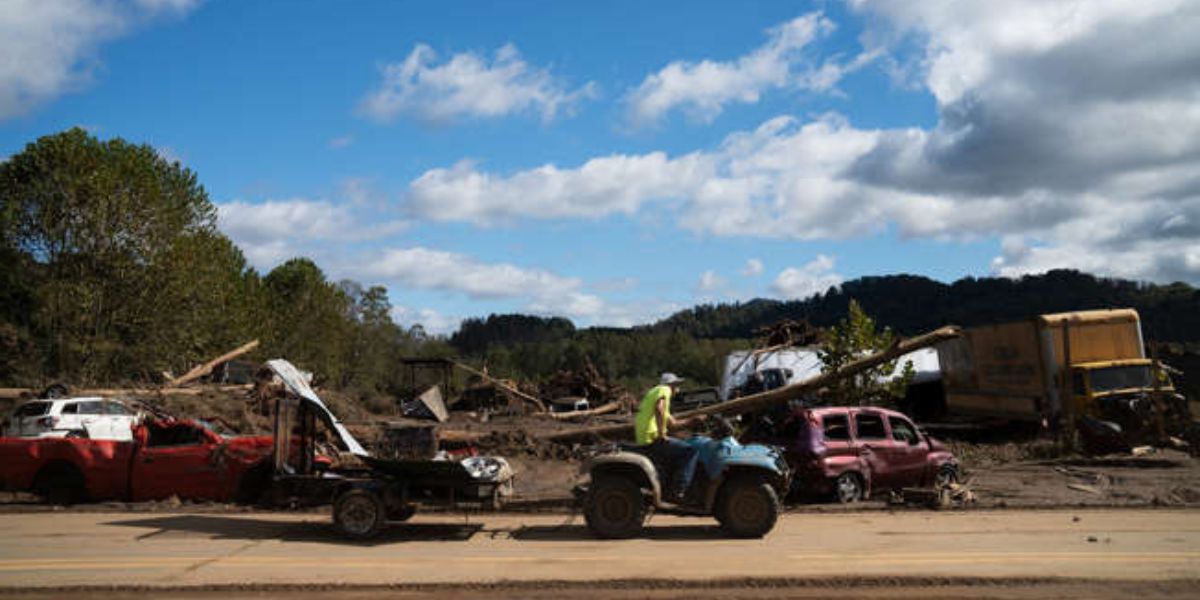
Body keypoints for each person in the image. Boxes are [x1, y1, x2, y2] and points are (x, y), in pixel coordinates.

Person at [635, 372, 699, 503]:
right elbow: (659, 409)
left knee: (680, 448)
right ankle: (679, 491)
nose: (678, 388)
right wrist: (661, 434)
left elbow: (674, 424)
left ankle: (670, 486)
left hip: (646, 438)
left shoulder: (655, 395)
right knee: (691, 451)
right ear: (671, 385)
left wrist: (693, 421)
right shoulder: (663, 390)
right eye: (677, 385)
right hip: (652, 438)